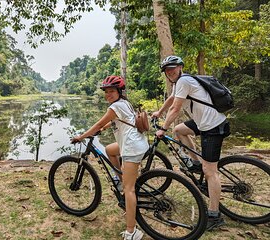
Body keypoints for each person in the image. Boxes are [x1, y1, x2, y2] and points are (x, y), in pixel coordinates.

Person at [151, 55, 230, 231]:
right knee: (178, 130)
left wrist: (163, 128)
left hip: (213, 127)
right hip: (204, 123)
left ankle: (214, 215)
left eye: (173, 68)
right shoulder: (179, 83)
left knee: (210, 172)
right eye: (166, 70)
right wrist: (159, 111)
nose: (170, 72)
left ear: (180, 67)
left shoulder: (184, 81)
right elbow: (171, 99)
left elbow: (176, 108)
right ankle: (195, 161)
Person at [71, 75, 148, 240]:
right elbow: (114, 121)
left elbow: (98, 123)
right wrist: (103, 129)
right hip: (137, 142)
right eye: (106, 92)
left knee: (130, 190)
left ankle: (131, 231)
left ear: (119, 91)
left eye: (112, 91)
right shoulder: (124, 103)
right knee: (109, 149)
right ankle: (121, 180)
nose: (108, 95)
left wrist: (81, 137)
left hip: (131, 148)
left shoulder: (115, 107)